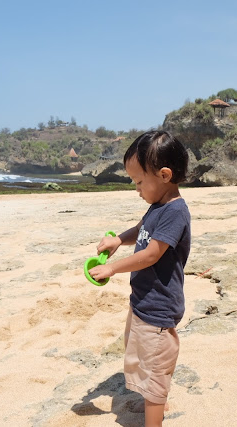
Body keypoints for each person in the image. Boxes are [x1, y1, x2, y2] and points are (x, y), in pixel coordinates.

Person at [88, 130, 191, 426]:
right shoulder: (157, 207)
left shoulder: (176, 211)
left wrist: (112, 268)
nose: (137, 189)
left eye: (138, 182)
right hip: (142, 301)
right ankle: (155, 399)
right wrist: (118, 240)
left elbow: (151, 254)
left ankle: (155, 414)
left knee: (155, 365)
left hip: (159, 306)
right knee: (142, 357)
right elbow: (141, 230)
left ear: (164, 175)